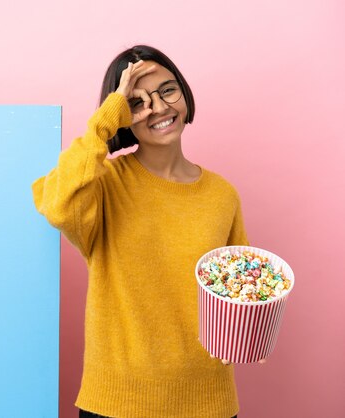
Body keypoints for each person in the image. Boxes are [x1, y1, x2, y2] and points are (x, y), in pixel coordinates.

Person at [31, 45, 266, 418]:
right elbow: (58, 204)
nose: (158, 108)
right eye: (139, 101)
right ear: (123, 113)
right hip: (117, 402)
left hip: (209, 402)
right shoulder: (103, 186)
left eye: (168, 90)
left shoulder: (222, 195)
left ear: (185, 92)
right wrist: (105, 121)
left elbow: (240, 294)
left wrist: (254, 326)